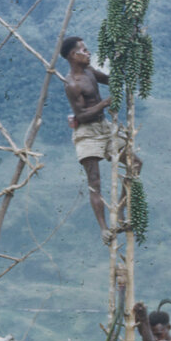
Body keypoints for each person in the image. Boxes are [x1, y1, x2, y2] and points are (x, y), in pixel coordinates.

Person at [61, 35, 139, 244]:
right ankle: (104, 228)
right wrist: (105, 103)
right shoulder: (72, 84)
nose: (88, 54)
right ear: (72, 55)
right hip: (87, 132)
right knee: (94, 182)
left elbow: (110, 80)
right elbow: (82, 114)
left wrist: (123, 63)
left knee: (135, 164)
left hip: (105, 128)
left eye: (87, 50)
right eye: (83, 51)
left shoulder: (88, 72)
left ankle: (121, 209)